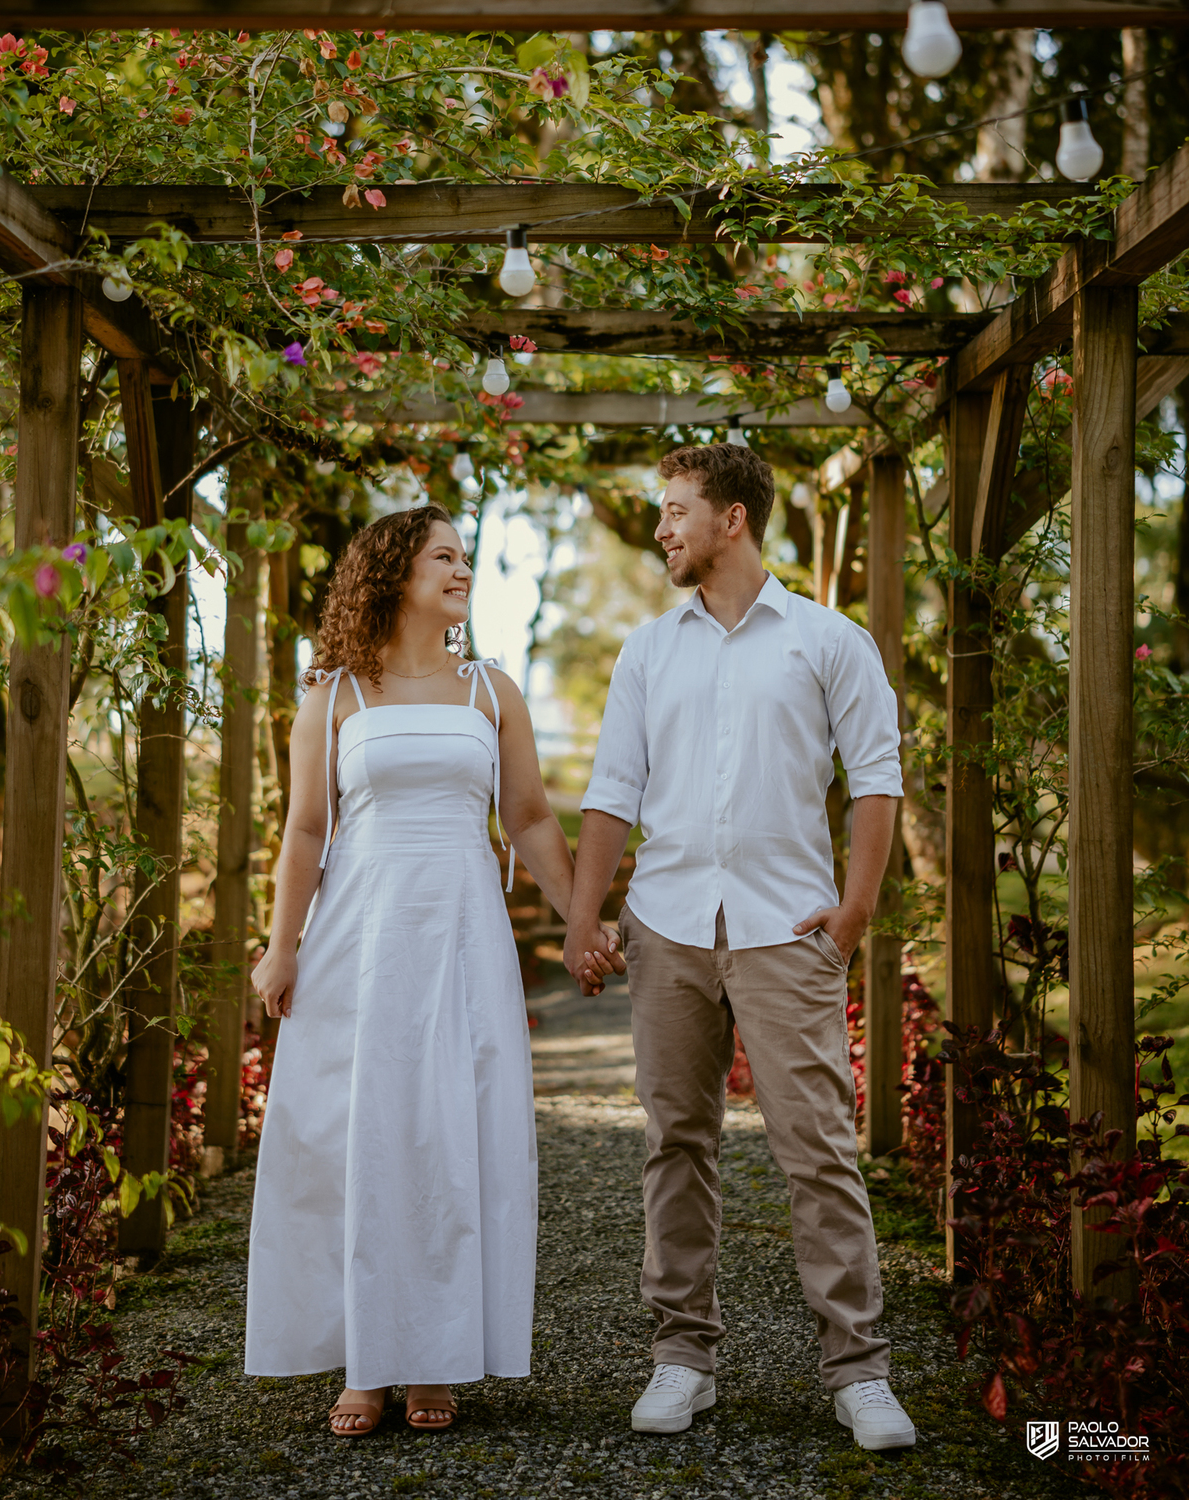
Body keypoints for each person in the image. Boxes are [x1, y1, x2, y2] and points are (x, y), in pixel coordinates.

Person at [565, 444, 916, 1452]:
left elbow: (876, 780)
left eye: (676, 511)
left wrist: (850, 916)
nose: (661, 528)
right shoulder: (647, 650)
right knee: (677, 1143)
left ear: (732, 520)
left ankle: (858, 1372)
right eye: (660, 511)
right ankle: (684, 1359)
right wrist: (585, 920)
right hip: (668, 925)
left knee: (818, 1151)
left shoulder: (829, 642)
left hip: (784, 930)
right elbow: (611, 794)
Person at [245, 503, 616, 1437]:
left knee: (453, 1136)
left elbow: (529, 817)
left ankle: (436, 1357)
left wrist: (581, 920)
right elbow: (304, 831)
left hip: (461, 941)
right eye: (444, 557)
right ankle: (365, 1364)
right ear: (393, 574)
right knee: (359, 1139)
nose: (462, 570)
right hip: (358, 945)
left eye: (466, 558)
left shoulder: (492, 690)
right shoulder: (334, 695)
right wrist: (281, 943)